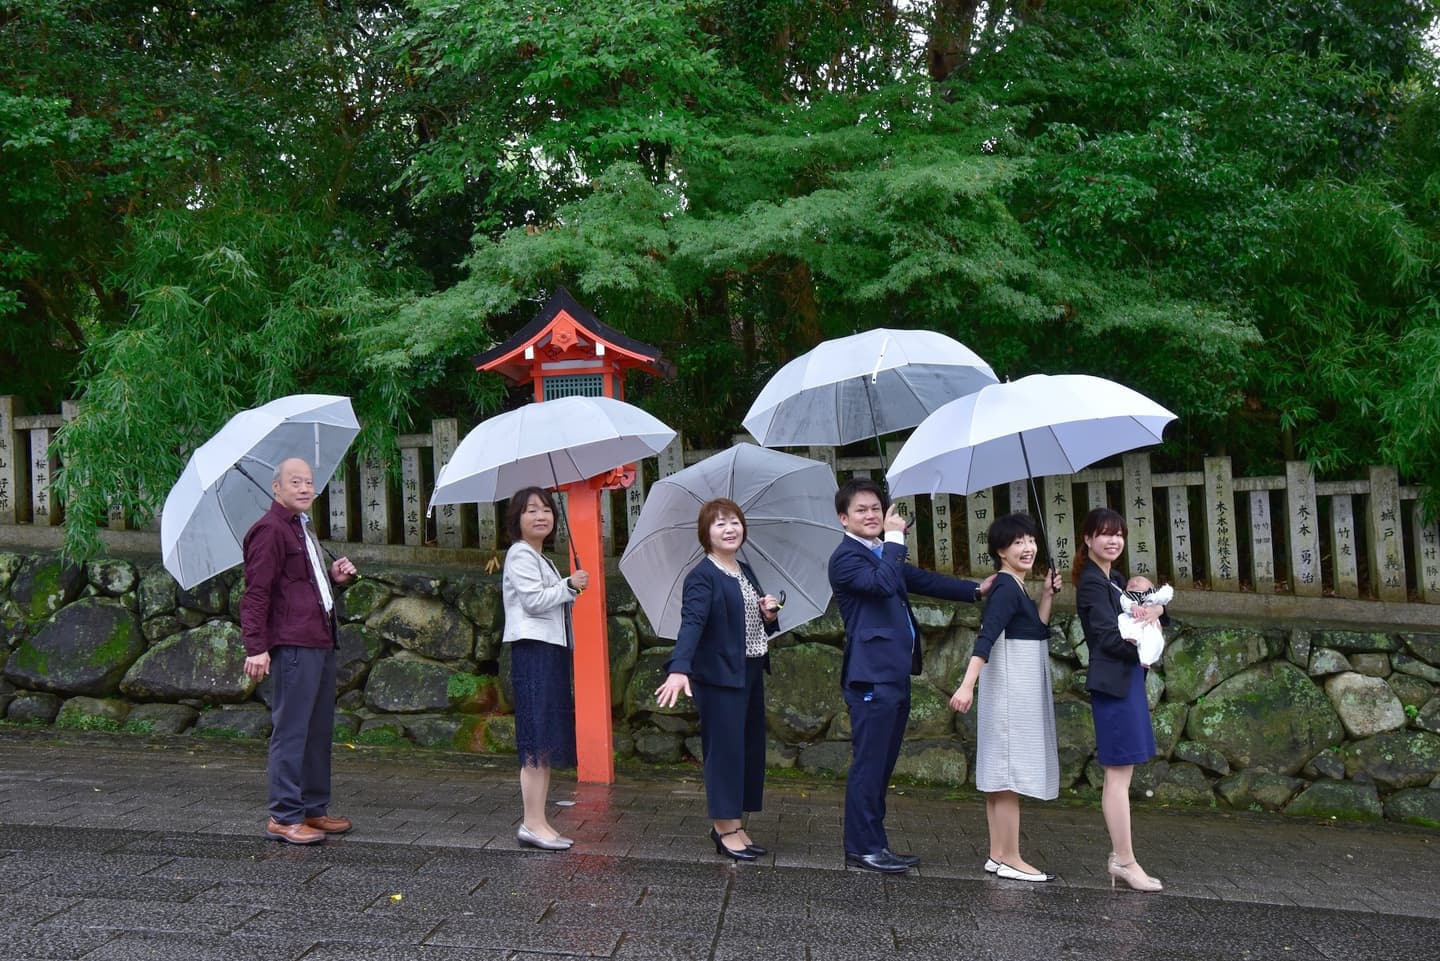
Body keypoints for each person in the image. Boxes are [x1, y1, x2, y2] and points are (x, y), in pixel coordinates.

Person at [829, 478, 992, 873]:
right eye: (861, 510)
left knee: (882, 764)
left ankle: (874, 843)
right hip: (870, 677)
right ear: (843, 518)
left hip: (894, 673)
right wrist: (894, 539)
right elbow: (885, 585)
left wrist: (975, 590)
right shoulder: (846, 558)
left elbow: (919, 580)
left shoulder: (883, 552)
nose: (870, 515)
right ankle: (862, 847)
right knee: (869, 764)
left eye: (875, 508)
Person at [655, 499, 782, 861]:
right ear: (706, 534)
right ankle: (724, 828)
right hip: (720, 677)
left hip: (751, 669)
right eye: (720, 524)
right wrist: (679, 668)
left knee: (748, 750)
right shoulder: (702, 576)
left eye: (735, 522)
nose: (730, 529)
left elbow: (753, 620)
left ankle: (737, 822)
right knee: (724, 752)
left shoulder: (744, 569)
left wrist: (770, 614)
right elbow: (691, 624)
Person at [241, 457, 358, 845]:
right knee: (292, 729)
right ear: (277, 488)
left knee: (318, 729)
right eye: (296, 482)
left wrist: (334, 580)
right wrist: (256, 647)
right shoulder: (269, 530)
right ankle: (284, 814)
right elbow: (256, 594)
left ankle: (312, 809)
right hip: (293, 644)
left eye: (309, 482)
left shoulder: (301, 528)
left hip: (319, 638)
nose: (305, 488)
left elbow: (302, 587)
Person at [950, 513, 1063, 882]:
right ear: (1001, 551)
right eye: (1018, 542)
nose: (1028, 547)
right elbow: (987, 637)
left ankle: (998, 854)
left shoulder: (1017, 587)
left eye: (1030, 539)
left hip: (1015, 686)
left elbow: (1036, 630)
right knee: (1010, 774)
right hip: (1012, 689)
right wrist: (967, 685)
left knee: (1001, 774)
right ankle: (1012, 857)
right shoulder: (1004, 587)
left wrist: (1046, 595)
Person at [1074, 507, 1169, 892]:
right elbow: (1104, 636)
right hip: (1113, 682)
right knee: (1117, 776)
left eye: (1119, 534)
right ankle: (1125, 861)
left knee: (1123, 774)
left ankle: (1122, 858)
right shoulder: (1093, 584)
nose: (1113, 541)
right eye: (1104, 534)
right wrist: (1142, 644)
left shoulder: (1112, 578)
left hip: (1126, 680)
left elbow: (1150, 607)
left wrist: (1157, 608)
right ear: (1087, 539)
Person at [502, 486, 589, 852]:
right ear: (517, 520)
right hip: (533, 651)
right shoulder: (520, 555)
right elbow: (535, 602)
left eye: (547, 510)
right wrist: (569, 585)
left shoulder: (542, 558)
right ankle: (532, 822)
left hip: (549, 650)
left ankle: (538, 821)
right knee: (535, 742)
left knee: (545, 741)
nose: (541, 516)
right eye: (531, 510)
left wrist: (565, 584)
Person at [1119, 574, 1174, 668]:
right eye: (1130, 582)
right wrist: (1133, 607)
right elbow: (1125, 602)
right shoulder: (1127, 595)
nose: (1134, 582)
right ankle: (1132, 637)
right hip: (1134, 619)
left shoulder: (1152, 595)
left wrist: (1160, 606)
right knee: (1124, 621)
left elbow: (1163, 598)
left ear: (1150, 586)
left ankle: (1146, 659)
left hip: (1150, 623)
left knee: (1154, 638)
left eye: (1139, 580)